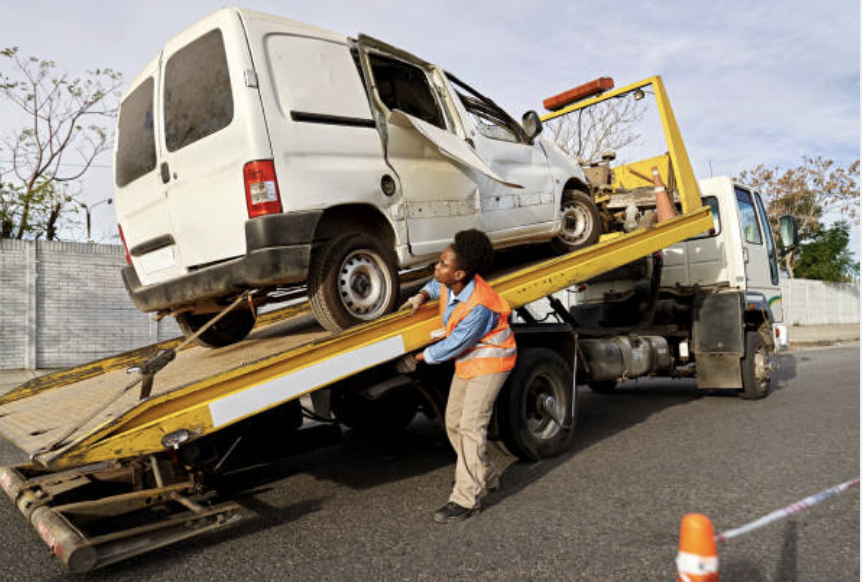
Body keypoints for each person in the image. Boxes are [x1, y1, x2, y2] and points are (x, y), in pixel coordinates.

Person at [401, 229, 517, 523]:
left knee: (470, 426)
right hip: (469, 362)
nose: (436, 267)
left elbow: (455, 344)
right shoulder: (454, 284)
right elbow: (438, 287)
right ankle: (485, 474)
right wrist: (422, 294)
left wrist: (418, 358)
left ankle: (466, 498)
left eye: (442, 264)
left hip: (492, 361)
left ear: (460, 273)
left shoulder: (479, 305)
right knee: (452, 421)